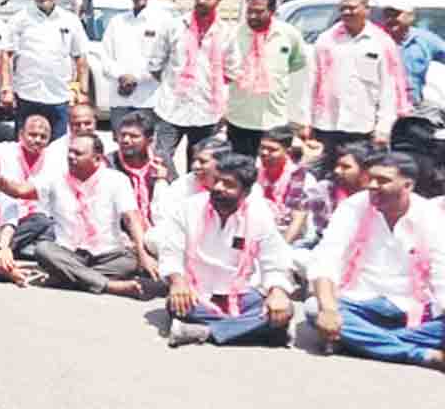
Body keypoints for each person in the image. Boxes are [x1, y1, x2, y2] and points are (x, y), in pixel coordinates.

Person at [307, 152, 445, 369]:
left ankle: (361, 340)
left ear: (407, 185)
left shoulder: (429, 214)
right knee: (315, 308)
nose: (372, 186)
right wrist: (329, 309)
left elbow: (441, 270)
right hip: (360, 302)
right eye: (370, 178)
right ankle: (422, 355)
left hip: (413, 309)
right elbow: (327, 257)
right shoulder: (353, 207)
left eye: (382, 180)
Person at [157, 153, 295, 348]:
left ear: (245, 192)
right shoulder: (189, 208)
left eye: (228, 184)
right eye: (217, 181)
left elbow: (275, 260)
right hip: (196, 294)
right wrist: (177, 283)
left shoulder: (259, 215)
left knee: (285, 310)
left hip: (241, 295)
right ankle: (253, 331)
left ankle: (202, 332)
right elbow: (170, 251)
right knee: (177, 305)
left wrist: (278, 292)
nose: (219, 188)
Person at [0, 134, 153, 297]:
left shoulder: (116, 180)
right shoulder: (55, 177)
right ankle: (109, 285)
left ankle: (67, 277)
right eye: (69, 152)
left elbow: (131, 218)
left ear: (97, 158)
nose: (70, 157)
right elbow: (20, 190)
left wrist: (143, 254)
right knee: (44, 250)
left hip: (108, 256)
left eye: (78, 153)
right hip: (69, 253)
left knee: (132, 262)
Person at [302, 0, 410, 175]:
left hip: (362, 126)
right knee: (322, 177)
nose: (347, 12)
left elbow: (389, 88)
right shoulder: (326, 40)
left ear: (367, 10)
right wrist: (306, 120)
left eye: (352, 8)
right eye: (343, 8)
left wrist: (383, 127)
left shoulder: (381, 42)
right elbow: (311, 81)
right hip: (327, 124)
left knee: (358, 177)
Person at [149, 0, 242, 170]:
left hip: (206, 111)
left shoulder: (226, 33)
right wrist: (175, 84)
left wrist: (208, 86)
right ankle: (170, 192)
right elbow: (155, 65)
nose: (201, 0)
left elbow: (232, 72)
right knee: (160, 159)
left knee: (199, 166)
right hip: (171, 108)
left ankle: (191, 198)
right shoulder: (174, 26)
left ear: (218, 0)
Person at [3, 0, 89, 140]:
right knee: (25, 145)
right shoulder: (20, 19)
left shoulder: (70, 20)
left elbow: (80, 58)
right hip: (27, 95)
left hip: (59, 96)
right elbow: (6, 56)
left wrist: (83, 91)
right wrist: (7, 88)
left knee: (57, 147)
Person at [224, 0, 307, 157]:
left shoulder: (289, 35)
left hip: (274, 119)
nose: (253, 16)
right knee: (240, 171)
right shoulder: (234, 34)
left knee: (272, 169)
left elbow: (296, 63)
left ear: (272, 11)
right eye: (249, 11)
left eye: (259, 11)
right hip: (239, 118)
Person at [0, 114, 57, 279]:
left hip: (36, 221)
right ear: (21, 135)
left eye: (43, 137)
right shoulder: (5, 150)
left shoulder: (53, 158)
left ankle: (13, 256)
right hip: (8, 215)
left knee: (50, 225)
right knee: (40, 220)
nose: (37, 140)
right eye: (32, 135)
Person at [101, 0, 166, 131]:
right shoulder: (117, 22)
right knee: (123, 148)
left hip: (148, 100)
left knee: (146, 149)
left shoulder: (163, 22)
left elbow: (163, 60)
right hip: (120, 99)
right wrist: (121, 76)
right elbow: (105, 58)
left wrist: (136, 78)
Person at [105, 111, 170, 231]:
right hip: (124, 234)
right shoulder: (109, 163)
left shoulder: (160, 160)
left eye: (133, 136)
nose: (125, 140)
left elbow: (175, 200)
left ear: (149, 141)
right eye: (122, 135)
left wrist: (162, 180)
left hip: (158, 231)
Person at [300, 141, 372, 245]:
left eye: (345, 167)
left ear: (365, 171)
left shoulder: (376, 198)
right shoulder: (326, 190)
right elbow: (299, 207)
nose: (337, 170)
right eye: (337, 165)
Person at [256, 125, 315, 243]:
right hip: (260, 231)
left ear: (287, 152)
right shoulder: (255, 171)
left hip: (292, 238)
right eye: (262, 147)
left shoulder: (300, 178)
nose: (264, 152)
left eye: (272, 150)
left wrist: (281, 251)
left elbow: (298, 220)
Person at [381, 4, 445, 108]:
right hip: (381, 107)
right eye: (387, 15)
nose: (390, 19)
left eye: (396, 15)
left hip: (412, 106)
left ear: (410, 17)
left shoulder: (425, 39)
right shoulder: (376, 39)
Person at [42, 102, 117, 177]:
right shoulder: (55, 149)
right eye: (77, 124)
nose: (82, 128)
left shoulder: (111, 144)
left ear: (95, 121)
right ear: (69, 124)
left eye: (87, 123)